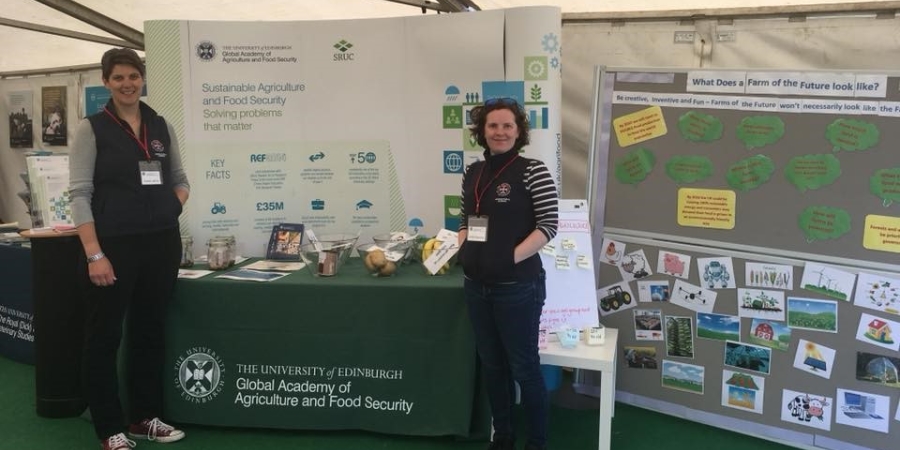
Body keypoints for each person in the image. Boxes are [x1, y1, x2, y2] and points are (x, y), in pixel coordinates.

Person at [69, 47, 189, 450]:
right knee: (104, 338)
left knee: (149, 331)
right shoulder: (92, 129)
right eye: (118, 77)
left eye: (133, 76)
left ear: (142, 79)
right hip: (113, 247)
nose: (127, 84)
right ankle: (109, 428)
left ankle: (144, 417)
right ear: (106, 82)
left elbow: (180, 177)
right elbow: (80, 194)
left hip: (161, 244)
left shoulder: (159, 124)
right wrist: (93, 253)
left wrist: (171, 206)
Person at [457, 98, 558, 450]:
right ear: (482, 132)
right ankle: (502, 436)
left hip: (517, 287)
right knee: (492, 365)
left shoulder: (533, 171)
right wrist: (458, 247)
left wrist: (507, 259)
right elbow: (466, 223)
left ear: (519, 131)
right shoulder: (472, 173)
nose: (500, 132)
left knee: (524, 368)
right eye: (493, 126)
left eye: (507, 126)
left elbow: (548, 226)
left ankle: (537, 442)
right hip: (476, 287)